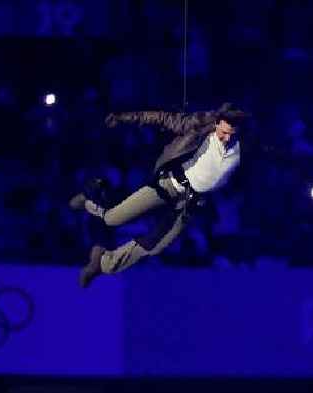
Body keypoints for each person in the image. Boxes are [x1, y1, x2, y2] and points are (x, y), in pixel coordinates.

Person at [70, 103, 249, 288]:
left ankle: (103, 264)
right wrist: (123, 117)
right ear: (217, 123)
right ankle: (89, 199)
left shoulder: (242, 147)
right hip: (168, 185)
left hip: (188, 203)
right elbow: (161, 117)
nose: (227, 138)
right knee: (112, 219)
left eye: (232, 134)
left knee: (156, 245)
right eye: (224, 133)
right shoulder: (199, 125)